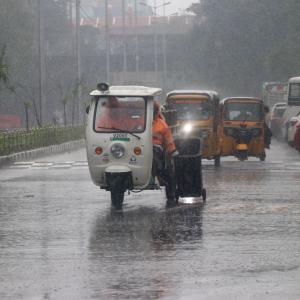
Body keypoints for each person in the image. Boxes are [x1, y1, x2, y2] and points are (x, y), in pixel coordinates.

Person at [152, 101, 178, 207]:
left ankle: (171, 196)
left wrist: (170, 151)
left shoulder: (162, 125)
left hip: (156, 150)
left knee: (169, 173)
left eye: (152, 110)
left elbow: (169, 142)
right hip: (138, 149)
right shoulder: (136, 122)